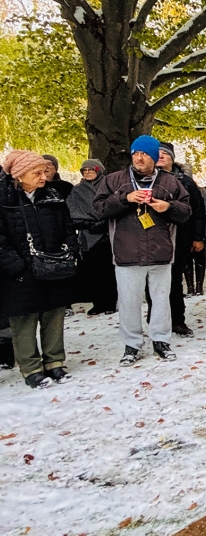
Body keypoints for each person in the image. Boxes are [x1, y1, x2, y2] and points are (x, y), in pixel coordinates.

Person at [93, 135, 191, 364]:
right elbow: (99, 208)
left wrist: (168, 206)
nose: (139, 157)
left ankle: (161, 340)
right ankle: (131, 344)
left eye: (145, 154)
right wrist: (125, 198)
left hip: (160, 251)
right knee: (129, 301)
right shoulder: (114, 180)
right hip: (127, 252)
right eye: (136, 153)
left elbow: (186, 211)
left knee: (161, 300)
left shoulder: (170, 181)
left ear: (155, 158)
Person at [0, 150, 79, 387]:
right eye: (36, 173)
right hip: (19, 273)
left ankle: (55, 363)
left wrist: (70, 252)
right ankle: (31, 369)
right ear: (20, 174)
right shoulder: (4, 199)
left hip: (54, 266)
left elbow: (67, 227)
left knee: (53, 315)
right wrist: (17, 267)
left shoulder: (53, 195)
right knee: (24, 320)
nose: (43, 177)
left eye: (44, 171)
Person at [155, 143, 206, 336]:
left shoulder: (186, 181)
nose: (160, 157)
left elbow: (199, 212)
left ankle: (177, 320)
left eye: (164, 154)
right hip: (154, 238)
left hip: (181, 237)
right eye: (157, 153)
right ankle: (156, 318)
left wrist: (198, 237)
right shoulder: (146, 180)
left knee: (174, 279)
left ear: (172, 158)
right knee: (155, 280)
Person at [67, 159, 118, 315]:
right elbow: (72, 210)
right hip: (88, 235)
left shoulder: (109, 187)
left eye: (91, 169)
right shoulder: (77, 190)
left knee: (109, 271)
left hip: (108, 233)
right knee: (93, 271)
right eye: (84, 170)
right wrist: (85, 223)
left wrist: (105, 221)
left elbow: (116, 205)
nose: (87, 172)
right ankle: (98, 303)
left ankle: (110, 302)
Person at [184, 171, 206, 295]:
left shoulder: (201, 191)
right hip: (185, 229)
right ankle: (190, 287)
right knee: (187, 260)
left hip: (200, 227)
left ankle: (199, 286)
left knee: (199, 258)